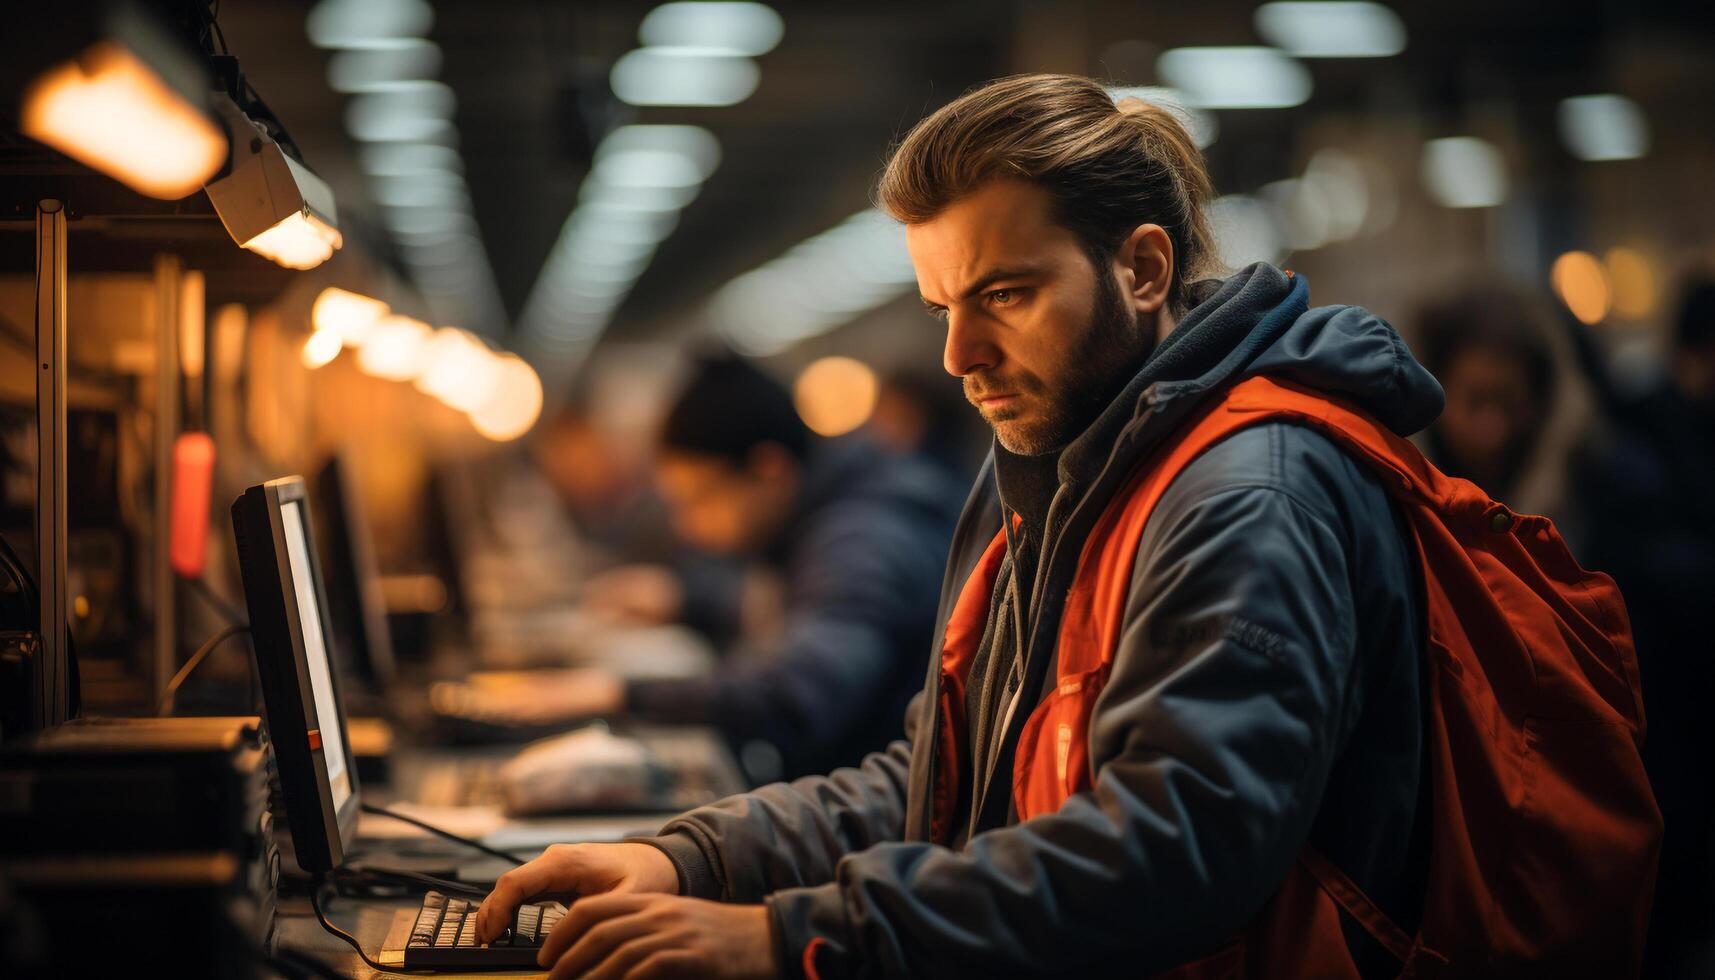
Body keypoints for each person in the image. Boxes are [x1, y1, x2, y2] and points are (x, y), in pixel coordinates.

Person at [473, 74, 1654, 978]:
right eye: (943, 304)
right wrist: (693, 854)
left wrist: (780, 937)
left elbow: (1169, 851)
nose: (956, 356)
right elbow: (943, 782)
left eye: (1002, 294)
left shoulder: (1251, 492)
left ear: (1141, 268)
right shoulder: (1061, 469)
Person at [493, 352, 965, 780]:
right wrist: (682, 600)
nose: (685, 525)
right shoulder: (822, 519)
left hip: (879, 814)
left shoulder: (867, 537)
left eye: (698, 500)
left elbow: (799, 693)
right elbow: (798, 608)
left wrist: (621, 693)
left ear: (767, 469)